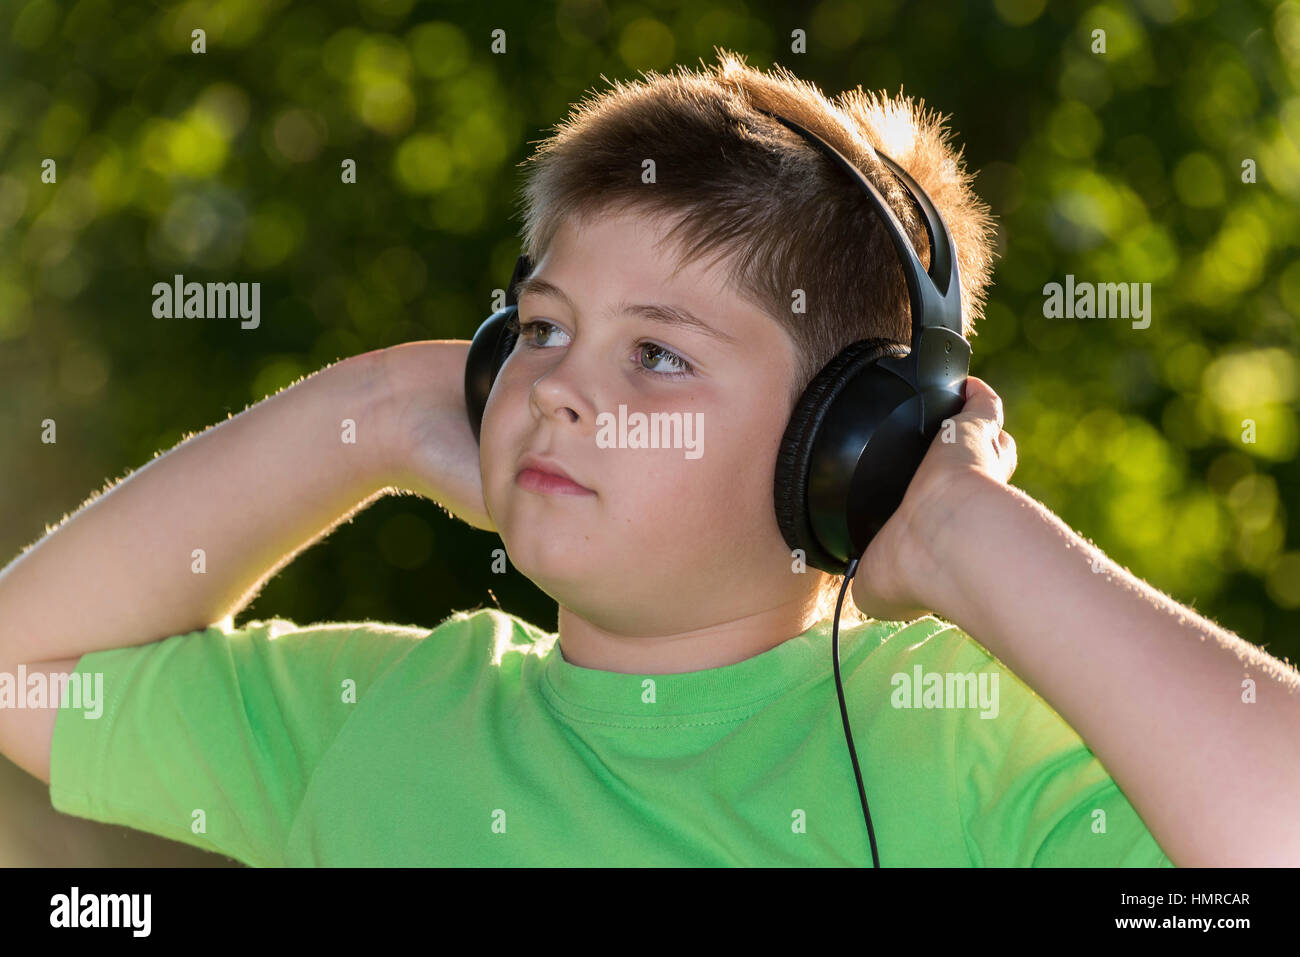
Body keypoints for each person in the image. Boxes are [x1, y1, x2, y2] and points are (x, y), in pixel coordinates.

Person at [2, 50, 1294, 866]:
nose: (559, 388)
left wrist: (962, 533)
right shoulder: (374, 719)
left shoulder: (964, 745)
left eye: (658, 356)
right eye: (543, 329)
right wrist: (384, 407)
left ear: (841, 445)